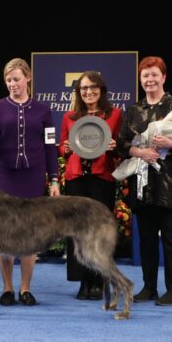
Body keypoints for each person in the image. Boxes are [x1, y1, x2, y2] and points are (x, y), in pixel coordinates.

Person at [0, 58, 60, 306]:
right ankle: (8, 289)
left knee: (30, 234)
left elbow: (49, 147)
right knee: (4, 235)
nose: (12, 84)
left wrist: (54, 179)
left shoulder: (43, 110)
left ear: (28, 78)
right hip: (3, 177)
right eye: (8, 80)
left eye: (17, 79)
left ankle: (25, 289)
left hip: (33, 177)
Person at [117, 56, 172, 306]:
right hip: (142, 185)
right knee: (147, 240)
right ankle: (149, 287)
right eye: (145, 76)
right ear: (140, 80)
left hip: (170, 185)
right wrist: (140, 152)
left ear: (163, 77)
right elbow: (122, 144)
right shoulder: (133, 110)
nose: (149, 80)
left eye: (153, 75)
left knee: (171, 239)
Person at [59, 71, 122, 301]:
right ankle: (83, 282)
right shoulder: (70, 117)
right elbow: (62, 147)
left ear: (101, 90)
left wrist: (115, 147)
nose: (88, 92)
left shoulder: (114, 114)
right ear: (78, 92)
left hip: (101, 179)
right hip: (76, 179)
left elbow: (120, 147)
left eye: (93, 87)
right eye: (84, 88)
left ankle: (99, 280)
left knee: (99, 231)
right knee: (77, 232)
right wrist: (64, 148)